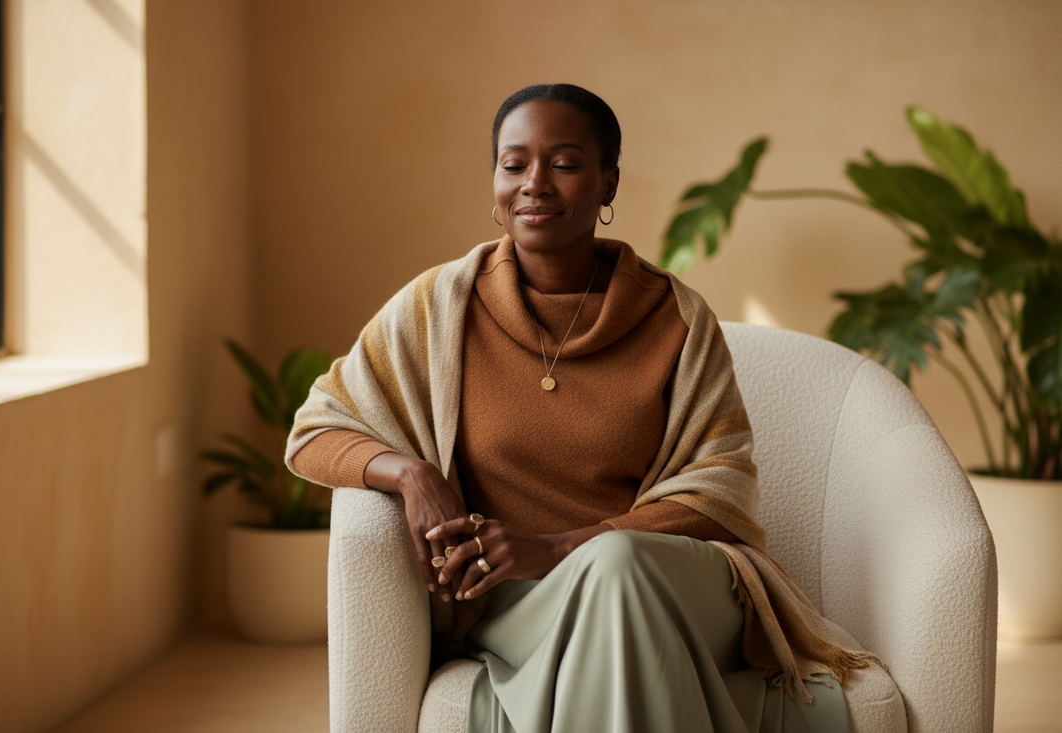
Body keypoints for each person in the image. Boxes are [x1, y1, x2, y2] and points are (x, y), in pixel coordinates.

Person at [286, 83, 876, 733]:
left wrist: (560, 546)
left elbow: (720, 488)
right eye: (514, 164)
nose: (534, 183)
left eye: (564, 163)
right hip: (521, 601)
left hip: (676, 584)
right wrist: (410, 474)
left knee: (616, 565)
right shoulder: (438, 308)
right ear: (496, 181)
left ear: (608, 184)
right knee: (611, 596)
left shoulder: (675, 317)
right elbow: (314, 430)